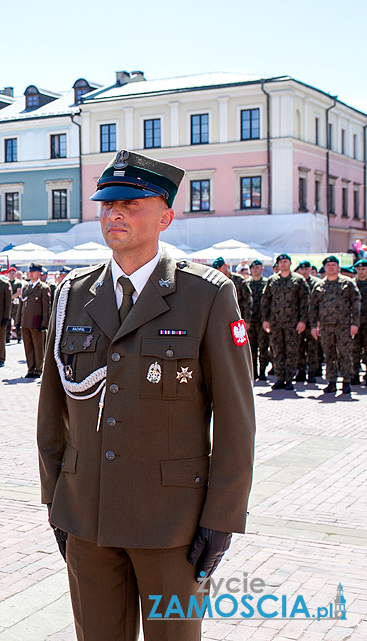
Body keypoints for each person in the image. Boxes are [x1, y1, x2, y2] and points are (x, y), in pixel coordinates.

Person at [37, 150, 256, 641]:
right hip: (87, 516)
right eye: (107, 203)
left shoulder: (206, 294)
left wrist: (222, 517)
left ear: (166, 217)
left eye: (131, 203)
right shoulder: (72, 294)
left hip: (171, 524)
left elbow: (237, 419)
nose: (115, 213)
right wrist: (57, 500)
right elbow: (52, 413)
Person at [309, 255, 361, 395]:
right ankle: (331, 382)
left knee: (345, 354)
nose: (331, 267)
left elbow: (356, 305)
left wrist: (355, 323)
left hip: (344, 325)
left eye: (333, 265)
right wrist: (314, 326)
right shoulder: (319, 285)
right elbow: (313, 307)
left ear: (338, 267)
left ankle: (346, 382)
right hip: (326, 327)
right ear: (324, 268)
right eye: (328, 265)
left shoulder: (348, 283)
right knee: (329, 355)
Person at [261, 254, 309, 391]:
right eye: (280, 262)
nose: (283, 264)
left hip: (292, 323)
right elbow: (266, 301)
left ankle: (289, 380)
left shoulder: (298, 280)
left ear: (290, 263)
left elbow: (305, 302)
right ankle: (279, 378)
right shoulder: (272, 280)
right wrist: (265, 319)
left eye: (285, 261)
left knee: (291, 351)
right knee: (277, 351)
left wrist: (302, 321)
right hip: (275, 322)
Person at [18, 263, 52, 379]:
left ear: (39, 273)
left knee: (38, 347)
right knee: (28, 346)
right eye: (30, 271)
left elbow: (46, 308)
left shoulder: (43, 288)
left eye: (33, 271)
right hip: (25, 322)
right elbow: (21, 305)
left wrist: (44, 323)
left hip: (36, 322)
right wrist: (18, 321)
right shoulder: (26, 287)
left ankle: (38, 369)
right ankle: (30, 368)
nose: (31, 274)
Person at [295, 261, 324, 383]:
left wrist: (317, 321)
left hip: (312, 320)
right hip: (298, 320)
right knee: (299, 347)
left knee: (312, 347)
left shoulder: (316, 283)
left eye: (306, 269)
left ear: (310, 269)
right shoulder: (296, 282)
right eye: (301, 269)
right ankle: (301, 371)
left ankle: (312, 371)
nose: (303, 271)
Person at [246, 259, 271, 381]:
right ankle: (253, 371)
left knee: (263, 347)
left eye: (257, 267)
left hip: (262, 320)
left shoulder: (267, 283)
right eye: (253, 268)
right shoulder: (246, 283)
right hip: (250, 321)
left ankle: (262, 371)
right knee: (251, 348)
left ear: (262, 269)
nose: (255, 270)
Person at [212, 257, 252, 325]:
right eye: (216, 269)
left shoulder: (238, 279)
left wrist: (247, 320)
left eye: (219, 268)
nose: (218, 271)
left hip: (238, 318)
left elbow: (247, 300)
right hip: (222, 319)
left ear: (226, 266)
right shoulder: (216, 281)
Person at [353, 259, 367, 384]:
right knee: (354, 349)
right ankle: (354, 374)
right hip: (355, 323)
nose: (361, 271)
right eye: (359, 269)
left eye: (363, 269)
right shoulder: (351, 284)